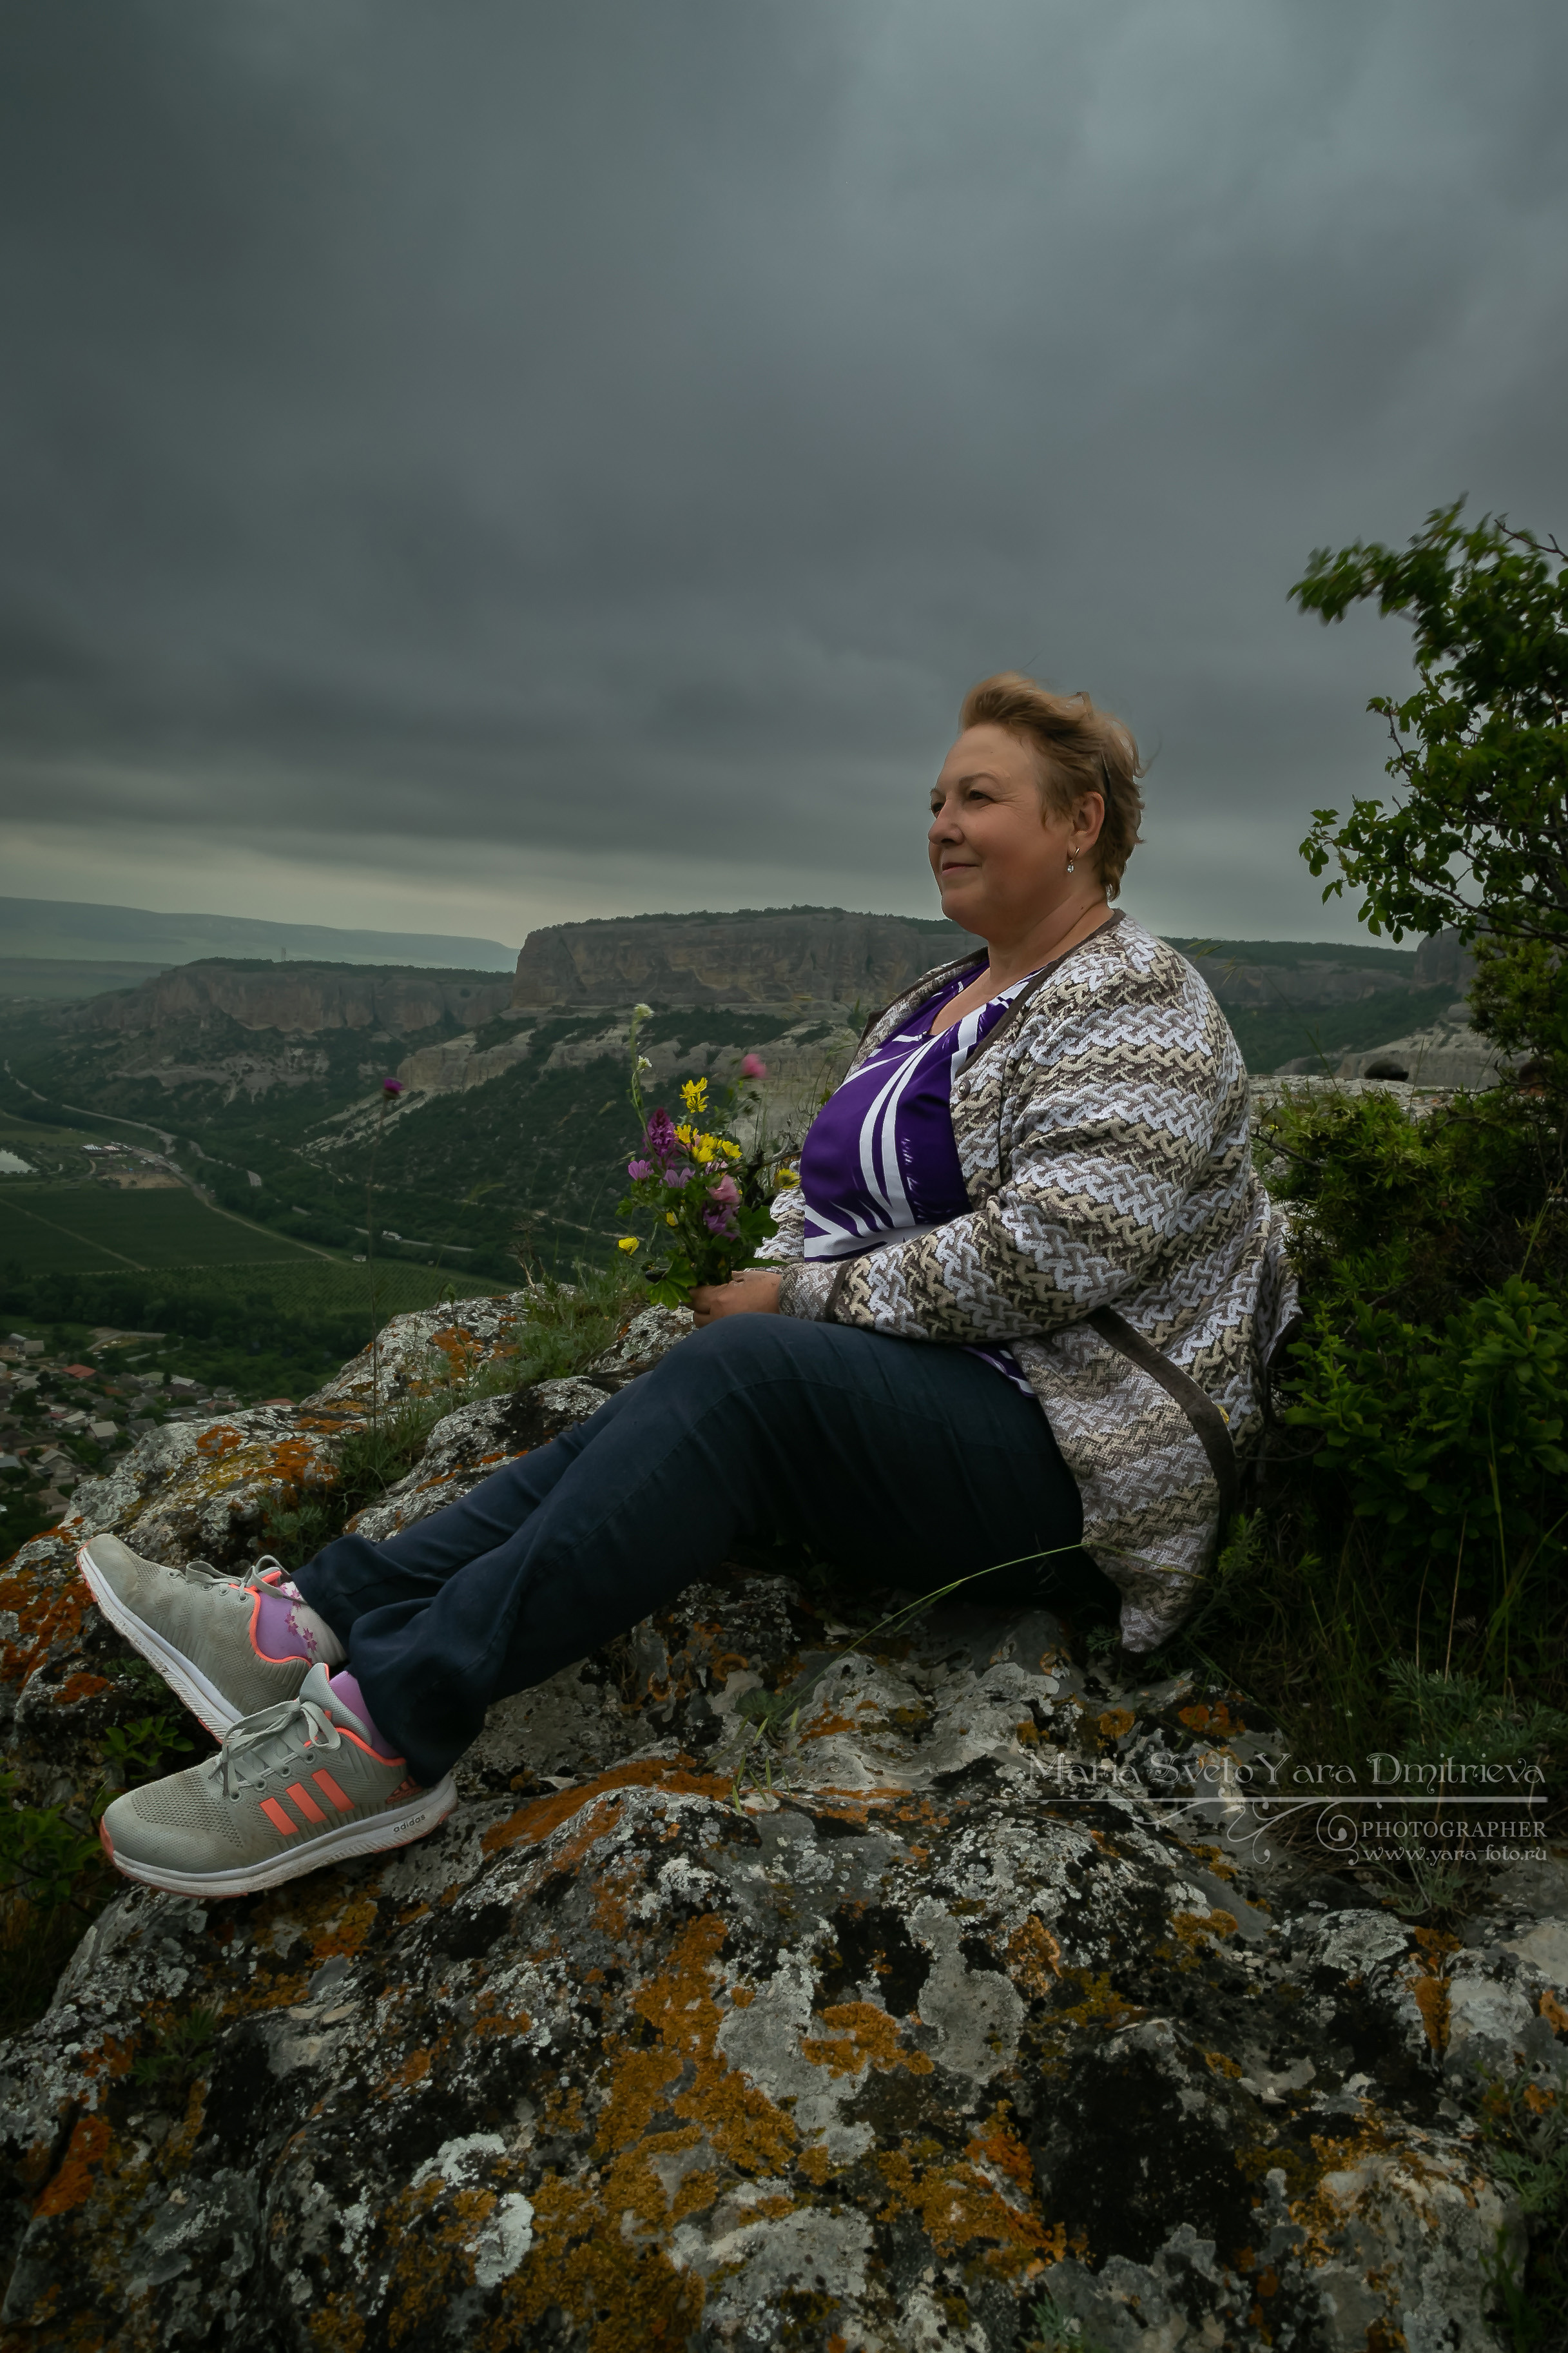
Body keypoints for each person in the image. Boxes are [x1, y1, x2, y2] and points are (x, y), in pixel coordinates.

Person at [82, 672, 1295, 1897]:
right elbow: (832, 1193)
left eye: (977, 797)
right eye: (934, 798)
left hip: (1069, 1470)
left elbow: (1057, 1249)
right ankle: (301, 1626)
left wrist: (802, 1302)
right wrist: (778, 1265)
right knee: (669, 1402)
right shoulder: (942, 997)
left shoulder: (1139, 1000)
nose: (939, 822)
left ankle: (387, 1735)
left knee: (741, 1377)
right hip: (927, 1402)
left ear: (1081, 823)